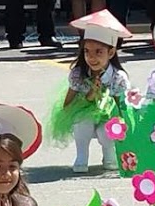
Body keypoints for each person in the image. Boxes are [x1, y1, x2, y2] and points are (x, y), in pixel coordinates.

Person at [47, 10, 131, 173]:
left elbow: (123, 106)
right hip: (85, 115)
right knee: (82, 123)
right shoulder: (78, 74)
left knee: (108, 130)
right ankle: (82, 155)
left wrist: (119, 121)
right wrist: (88, 97)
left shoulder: (118, 77)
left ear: (111, 52)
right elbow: (67, 105)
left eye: (98, 52)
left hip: (109, 117)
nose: (92, 58)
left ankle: (109, 154)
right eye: (87, 51)